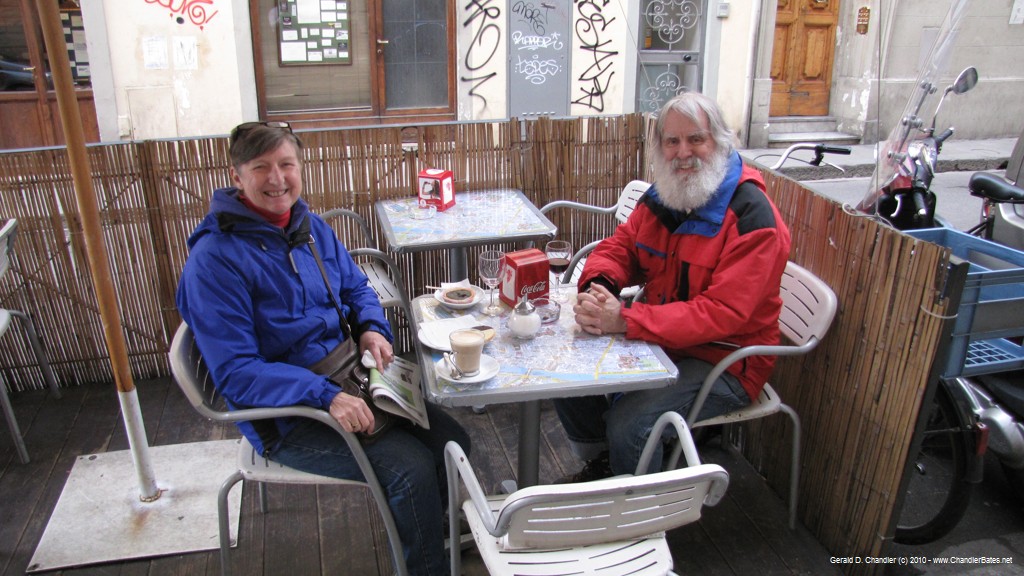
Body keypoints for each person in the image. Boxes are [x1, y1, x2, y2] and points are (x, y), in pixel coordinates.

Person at [175, 121, 469, 575]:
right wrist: (325, 396)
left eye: (286, 164)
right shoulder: (214, 261)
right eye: (261, 168)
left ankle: (435, 540)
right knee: (409, 469)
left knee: (454, 439)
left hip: (352, 375)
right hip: (287, 416)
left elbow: (356, 287)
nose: (277, 179)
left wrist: (372, 328)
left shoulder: (308, 226)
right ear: (237, 177)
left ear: (299, 168)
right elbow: (236, 374)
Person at [557, 92, 791, 481]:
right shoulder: (667, 194)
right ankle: (606, 467)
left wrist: (626, 320)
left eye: (696, 139)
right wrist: (599, 286)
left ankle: (642, 520)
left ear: (719, 141)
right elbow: (621, 247)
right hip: (665, 342)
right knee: (569, 372)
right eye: (672, 141)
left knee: (631, 423)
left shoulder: (753, 218)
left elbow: (721, 315)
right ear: (660, 147)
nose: (684, 153)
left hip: (726, 361)